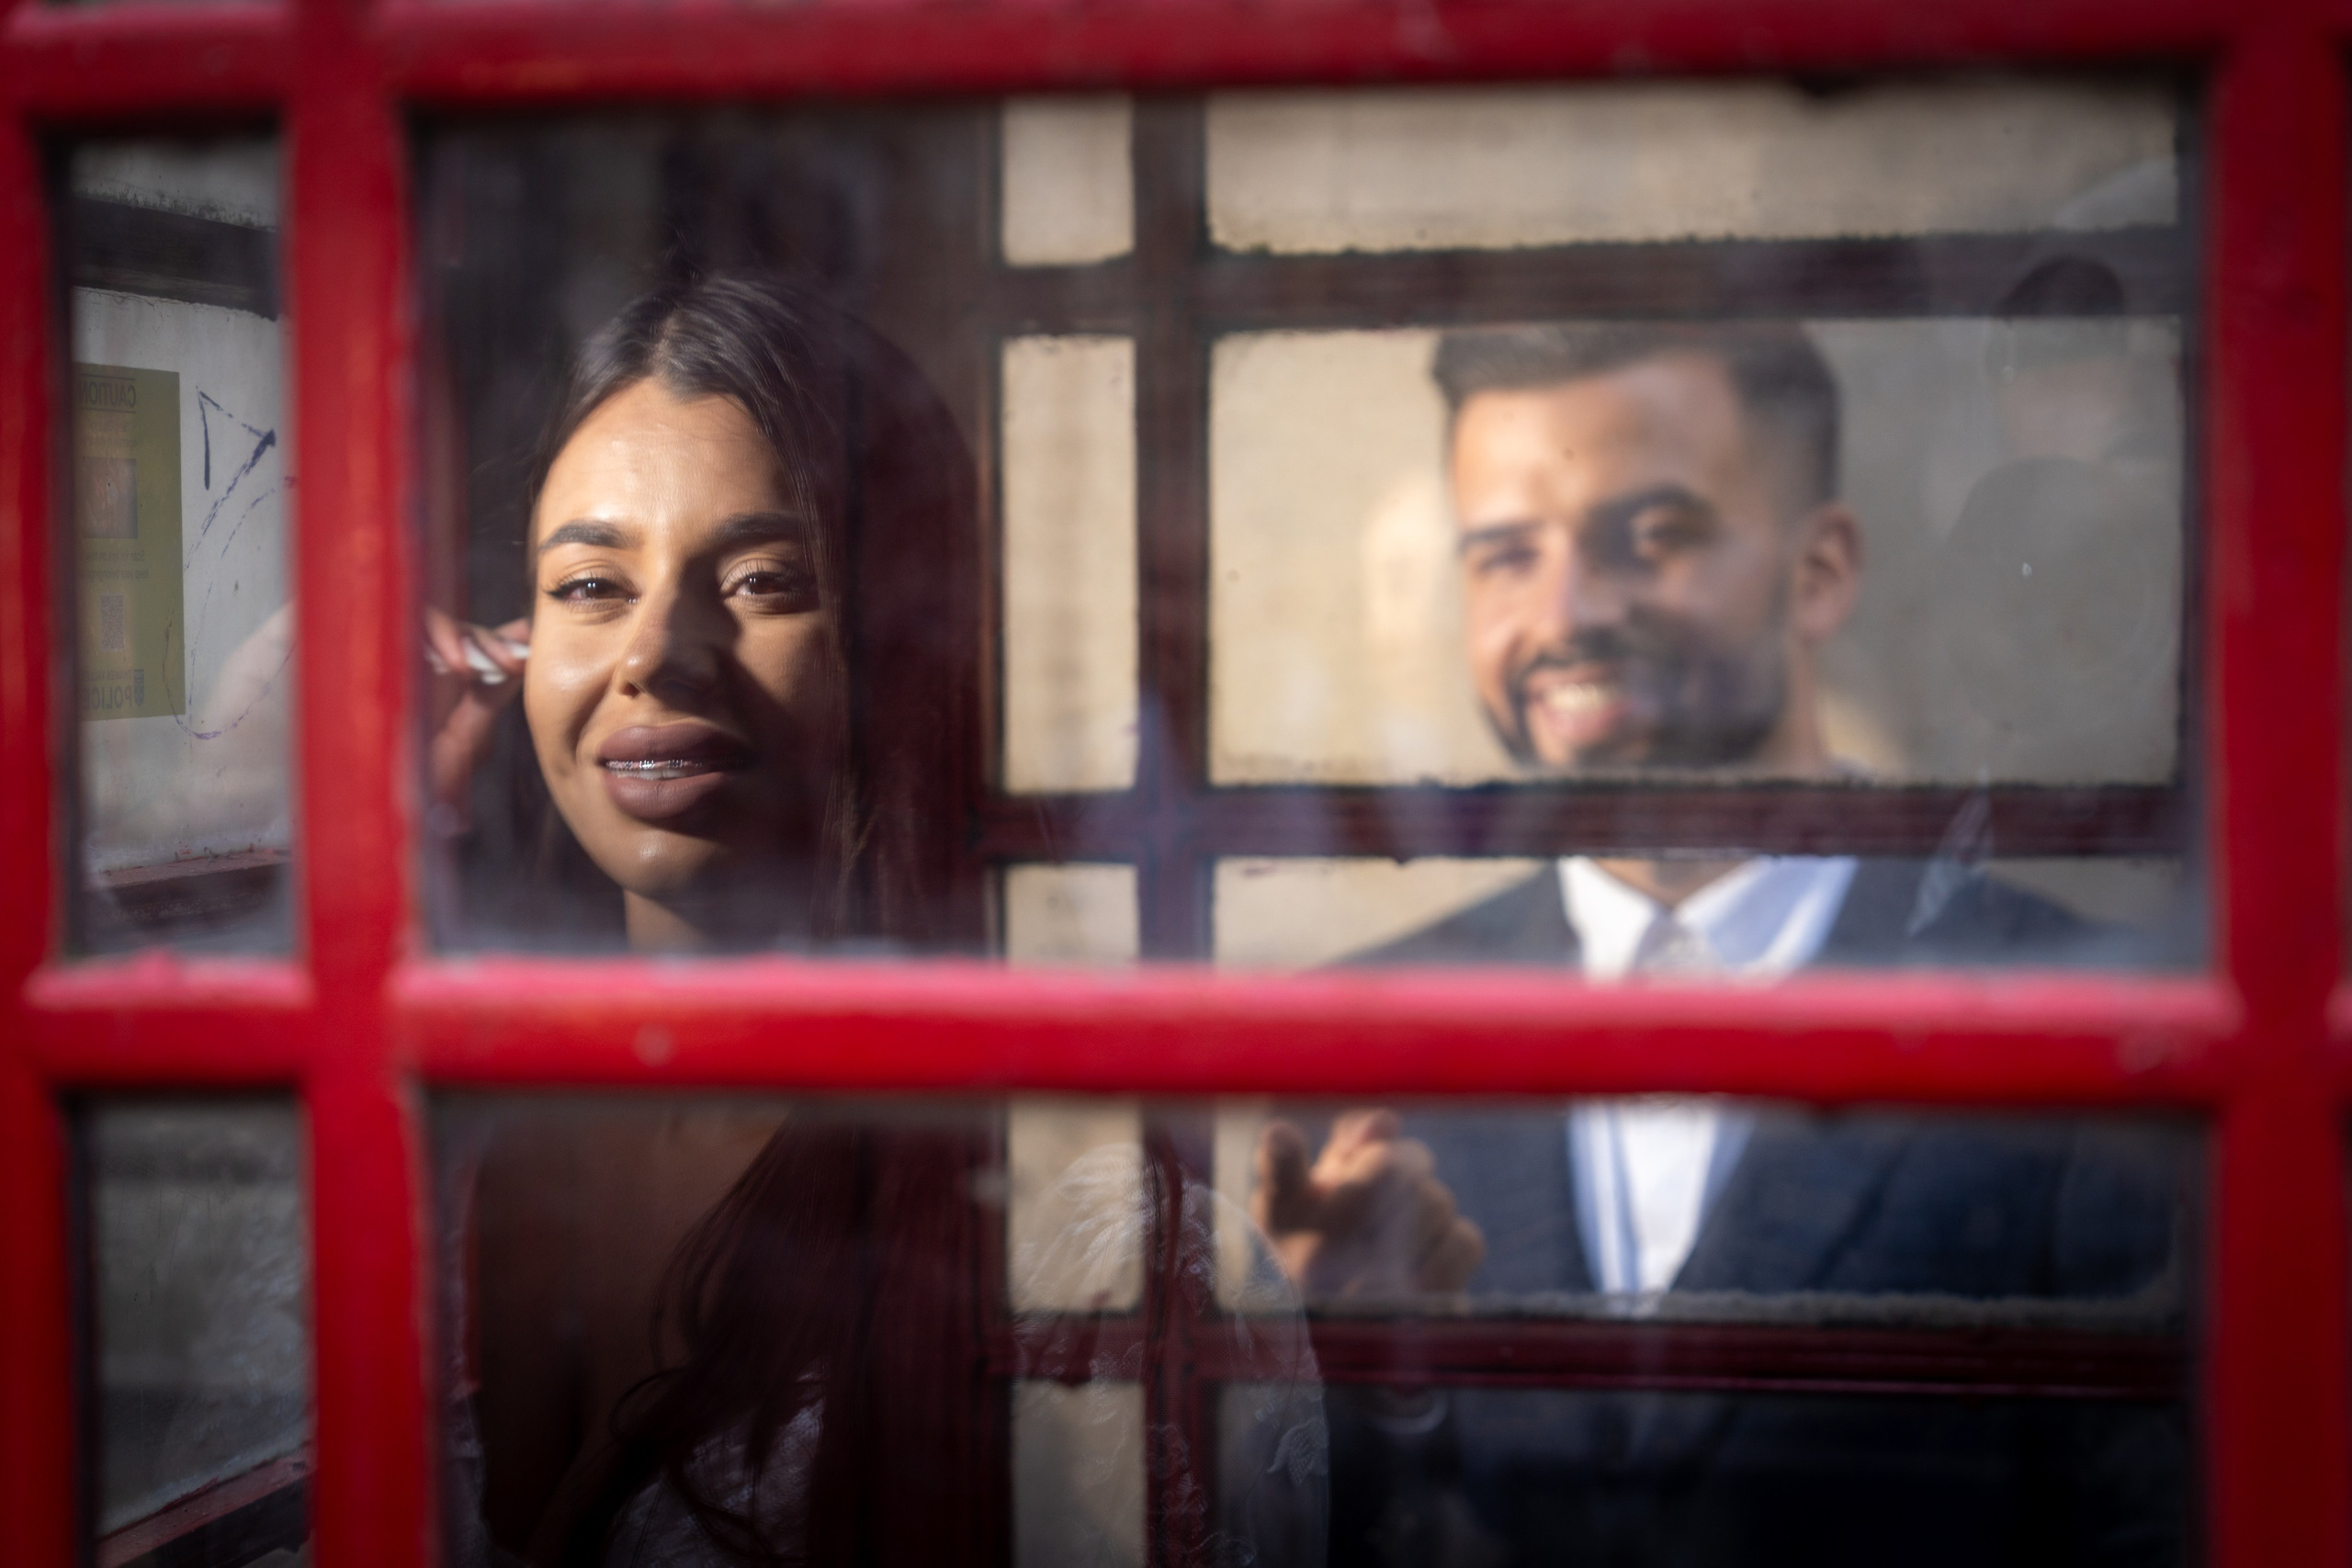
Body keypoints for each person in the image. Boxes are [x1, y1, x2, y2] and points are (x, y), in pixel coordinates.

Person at [1250, 322, 2188, 1565]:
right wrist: (1374, 1381)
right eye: (1505, 556)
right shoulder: (1355, 1046)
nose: (1566, 612)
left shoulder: (2087, 1026)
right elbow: (1261, 1539)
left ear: (1822, 570)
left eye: (1653, 537)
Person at [429, 275, 1322, 1568]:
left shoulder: (1104, 1255)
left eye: (762, 580)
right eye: (589, 586)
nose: (658, 651)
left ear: (907, 647)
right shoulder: (440, 1151)